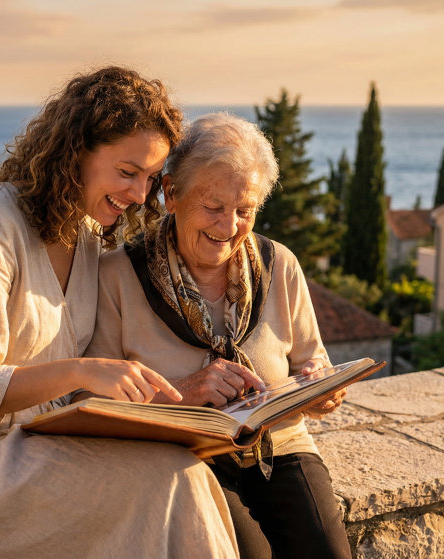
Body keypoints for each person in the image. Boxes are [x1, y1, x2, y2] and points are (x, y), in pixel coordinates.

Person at [0, 68, 239, 559]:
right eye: (127, 172)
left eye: (151, 178)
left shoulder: (85, 234)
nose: (139, 195)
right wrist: (80, 370)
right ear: (75, 154)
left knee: (181, 469)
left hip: (35, 440)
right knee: (166, 484)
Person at [84, 112, 351, 559]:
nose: (229, 228)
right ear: (171, 193)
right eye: (213, 207)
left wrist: (320, 386)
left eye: (244, 211)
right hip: (187, 460)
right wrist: (181, 395)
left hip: (280, 448)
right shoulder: (116, 275)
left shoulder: (279, 263)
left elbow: (312, 359)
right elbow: (94, 408)